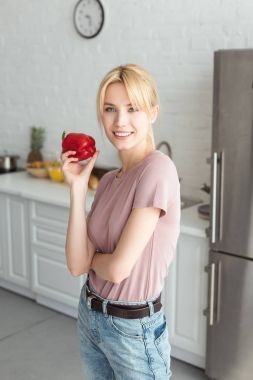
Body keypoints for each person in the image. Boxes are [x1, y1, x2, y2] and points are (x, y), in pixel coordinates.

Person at [61, 64, 181, 380]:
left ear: (153, 112)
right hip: (90, 316)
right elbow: (76, 265)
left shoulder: (158, 170)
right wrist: (76, 189)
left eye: (132, 109)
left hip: (133, 331)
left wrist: (93, 260)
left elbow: (118, 269)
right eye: (110, 109)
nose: (120, 121)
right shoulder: (108, 181)